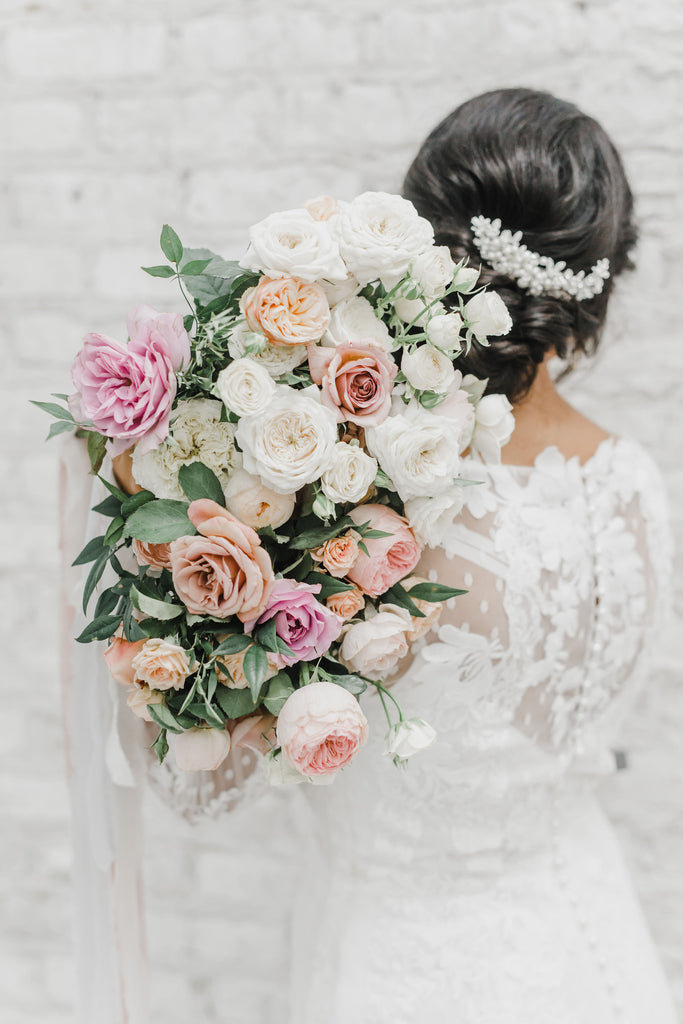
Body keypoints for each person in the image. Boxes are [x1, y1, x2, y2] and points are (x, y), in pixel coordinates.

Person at [63, 88, 678, 1023]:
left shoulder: (374, 509)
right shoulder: (635, 481)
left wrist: (155, 548)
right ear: (602, 274)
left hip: (394, 966)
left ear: (419, 254)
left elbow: (203, 791)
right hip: (590, 947)